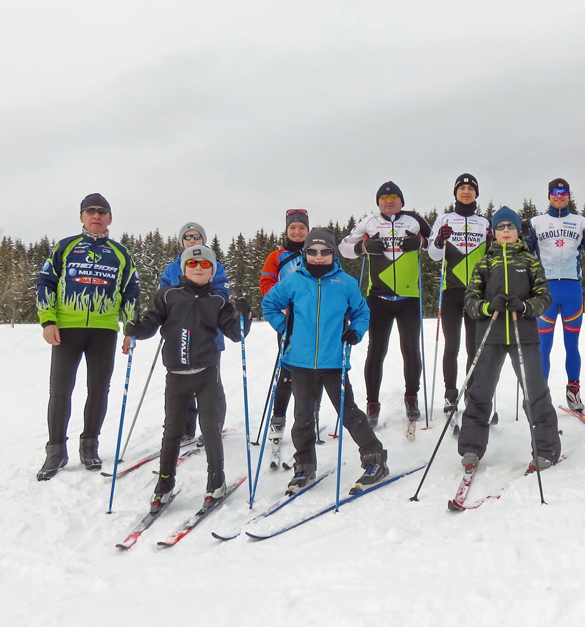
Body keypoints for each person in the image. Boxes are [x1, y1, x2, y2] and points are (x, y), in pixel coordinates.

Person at [123, 245, 251, 510]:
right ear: (183, 269)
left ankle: (216, 479)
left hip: (206, 373)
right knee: (172, 431)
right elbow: (150, 323)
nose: (199, 269)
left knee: (210, 428)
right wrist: (136, 328)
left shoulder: (217, 301)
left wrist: (244, 317)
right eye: (193, 265)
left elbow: (235, 334)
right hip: (176, 374)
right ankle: (165, 483)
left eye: (205, 265)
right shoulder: (168, 296)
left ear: (212, 271)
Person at [262, 228, 389, 492]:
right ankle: (304, 466)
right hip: (300, 361)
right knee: (303, 416)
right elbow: (269, 305)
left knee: (349, 413)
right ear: (306, 253)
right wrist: (285, 327)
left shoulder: (345, 283)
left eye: (325, 252)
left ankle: (375, 460)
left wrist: (356, 331)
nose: (318, 257)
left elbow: (362, 312)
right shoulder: (293, 281)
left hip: (334, 361)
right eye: (312, 252)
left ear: (333, 254)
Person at [36, 193, 140, 481]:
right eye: (90, 211)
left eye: (102, 211)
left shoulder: (120, 253)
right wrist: (48, 321)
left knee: (98, 389)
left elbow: (131, 291)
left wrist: (130, 328)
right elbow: (46, 281)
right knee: (60, 390)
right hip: (67, 329)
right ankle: (56, 450)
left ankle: (89, 445)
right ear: (82, 216)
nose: (96, 216)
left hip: (104, 330)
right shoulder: (65, 247)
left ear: (109, 218)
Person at [459, 207, 561, 470]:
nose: (506, 231)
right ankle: (471, 447)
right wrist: (487, 306)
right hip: (490, 335)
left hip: (523, 335)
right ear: (494, 233)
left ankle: (546, 447)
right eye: (501, 227)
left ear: (518, 231)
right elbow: (470, 300)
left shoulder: (530, 261)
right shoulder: (485, 262)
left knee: (535, 392)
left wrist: (525, 306)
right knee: (480, 391)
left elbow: (544, 298)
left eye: (511, 227)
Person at [338, 182, 431, 428]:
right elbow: (343, 248)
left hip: (409, 298)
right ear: (378, 202)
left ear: (401, 201)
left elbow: (440, 247)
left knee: (411, 351)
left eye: (394, 197)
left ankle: (412, 398)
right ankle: (372, 403)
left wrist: (422, 243)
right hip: (378, 297)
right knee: (376, 351)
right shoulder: (368, 222)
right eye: (384, 197)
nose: (389, 201)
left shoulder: (415, 221)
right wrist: (363, 247)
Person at [525, 178, 585, 412]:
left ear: (569, 195)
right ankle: (540, 394)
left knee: (572, 345)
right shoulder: (536, 223)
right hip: (545, 290)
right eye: (555, 193)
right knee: (543, 346)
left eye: (564, 192)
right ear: (549, 196)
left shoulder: (580, 222)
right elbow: (524, 252)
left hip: (571, 290)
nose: (559, 196)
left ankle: (573, 390)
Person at [160, 221, 231, 440]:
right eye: (188, 237)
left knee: (211, 382)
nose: (192, 240)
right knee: (182, 385)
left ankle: (214, 425)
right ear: (181, 242)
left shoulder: (214, 265)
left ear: (203, 240)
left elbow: (222, 293)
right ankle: (184, 429)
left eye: (196, 236)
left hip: (208, 334)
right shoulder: (172, 268)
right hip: (179, 335)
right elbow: (163, 295)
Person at [426, 174, 492, 413]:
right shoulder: (444, 219)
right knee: (451, 345)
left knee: (474, 347)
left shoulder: (484, 222)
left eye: (470, 188)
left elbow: (492, 255)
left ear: (476, 194)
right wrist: (440, 241)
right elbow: (433, 255)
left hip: (477, 292)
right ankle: (450, 394)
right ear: (455, 193)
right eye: (462, 188)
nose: (466, 192)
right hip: (452, 290)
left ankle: (471, 393)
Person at [259, 210, 309, 437]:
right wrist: (282, 299)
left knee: (312, 370)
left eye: (301, 228)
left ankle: (310, 416)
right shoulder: (277, 256)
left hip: (312, 318)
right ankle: (278, 415)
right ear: (287, 230)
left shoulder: (316, 252)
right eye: (293, 228)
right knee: (286, 369)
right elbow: (266, 283)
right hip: (289, 319)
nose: (297, 232)